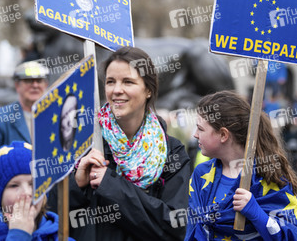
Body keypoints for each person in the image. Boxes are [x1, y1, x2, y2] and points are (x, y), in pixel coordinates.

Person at [48, 47, 191, 240]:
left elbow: (174, 227)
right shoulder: (83, 141)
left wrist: (112, 186)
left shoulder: (171, 151)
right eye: (110, 82)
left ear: (148, 90)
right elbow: (49, 214)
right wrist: (76, 184)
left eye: (128, 82)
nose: (116, 90)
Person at [186, 90, 297, 240]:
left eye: (200, 129)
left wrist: (256, 213)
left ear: (224, 135)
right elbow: (193, 230)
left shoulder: (268, 175)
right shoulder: (201, 174)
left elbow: (295, 237)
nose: (195, 135)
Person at [0, 61, 49, 212]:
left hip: (46, 208)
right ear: (17, 85)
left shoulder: (55, 117)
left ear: (45, 84)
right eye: (28, 81)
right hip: (9, 211)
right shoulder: (0, 119)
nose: (35, 85)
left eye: (39, 80)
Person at [0, 141, 74, 240]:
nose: (27, 192)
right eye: (14, 186)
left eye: (33, 184)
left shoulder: (60, 235)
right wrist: (19, 235)